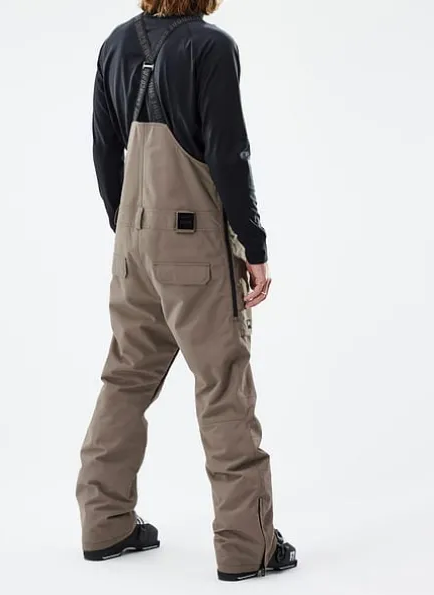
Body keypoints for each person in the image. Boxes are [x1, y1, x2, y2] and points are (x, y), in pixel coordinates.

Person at [76, 0, 297, 582]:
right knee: (223, 385)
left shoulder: (116, 44)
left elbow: (104, 149)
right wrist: (254, 245)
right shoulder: (211, 46)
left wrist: (128, 229)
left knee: (125, 377)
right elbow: (229, 154)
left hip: (133, 244)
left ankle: (105, 523)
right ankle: (248, 548)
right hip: (193, 248)